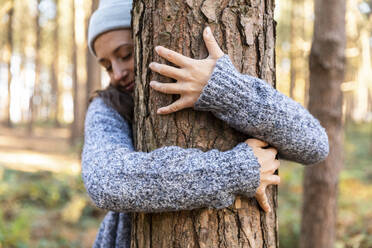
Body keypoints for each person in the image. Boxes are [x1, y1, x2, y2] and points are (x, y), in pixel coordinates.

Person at [82, 0, 329, 247]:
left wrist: (224, 90)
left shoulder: (236, 82)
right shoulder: (107, 106)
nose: (116, 73)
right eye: (106, 66)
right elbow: (106, 182)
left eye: (125, 55)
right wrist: (235, 170)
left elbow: (315, 144)